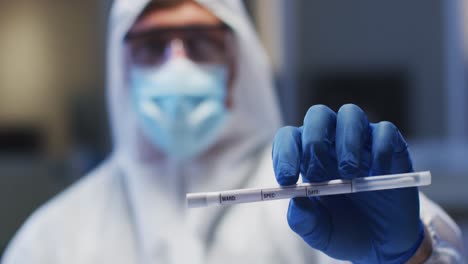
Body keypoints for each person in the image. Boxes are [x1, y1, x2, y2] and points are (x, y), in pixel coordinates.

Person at [2, 0, 465, 263]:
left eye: (200, 41)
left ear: (239, 59)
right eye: (152, 45)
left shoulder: (316, 187)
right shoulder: (53, 238)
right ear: (121, 68)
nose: (177, 64)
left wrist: (413, 255)